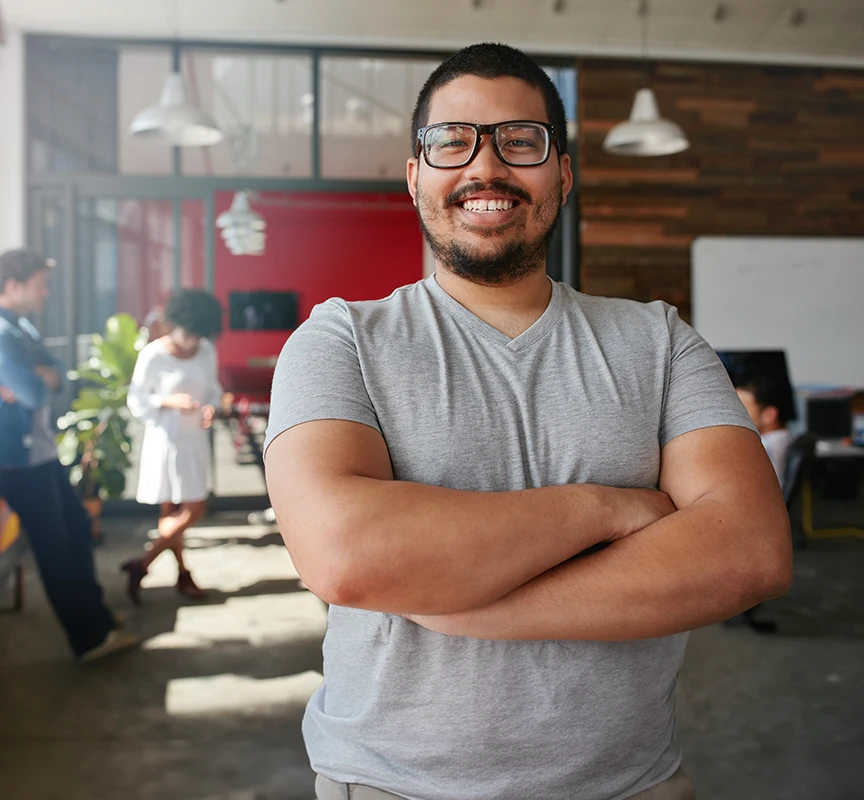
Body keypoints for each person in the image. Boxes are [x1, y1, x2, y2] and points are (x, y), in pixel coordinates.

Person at [264, 44, 791, 800]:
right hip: (389, 785)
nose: (485, 167)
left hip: (629, 787)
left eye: (521, 141)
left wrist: (460, 601)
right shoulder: (340, 339)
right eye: (451, 140)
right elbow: (347, 556)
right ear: (415, 176)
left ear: (563, 175)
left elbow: (751, 551)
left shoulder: (660, 340)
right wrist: (608, 506)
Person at [0, 249, 140, 662]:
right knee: (55, 547)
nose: (46, 292)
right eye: (41, 284)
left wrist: (41, 376)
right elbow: (35, 390)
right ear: (14, 285)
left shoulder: (18, 328)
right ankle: (88, 639)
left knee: (77, 529)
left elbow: (56, 372)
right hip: (15, 459)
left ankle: (95, 619)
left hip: (37, 453)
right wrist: (38, 379)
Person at [122, 289, 225, 604]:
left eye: (198, 336)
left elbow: (213, 390)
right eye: (188, 334)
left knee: (188, 509)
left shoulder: (206, 351)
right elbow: (136, 401)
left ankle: (145, 563)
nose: (192, 342)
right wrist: (167, 401)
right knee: (180, 510)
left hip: (194, 440)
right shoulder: (153, 355)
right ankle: (178, 573)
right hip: (165, 441)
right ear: (175, 324)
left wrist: (211, 407)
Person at [734, 370, 797, 491]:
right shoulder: (784, 437)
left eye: (742, 409)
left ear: (769, 415)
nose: (734, 415)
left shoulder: (762, 447)